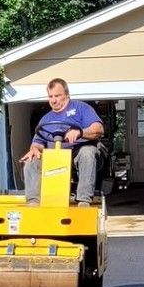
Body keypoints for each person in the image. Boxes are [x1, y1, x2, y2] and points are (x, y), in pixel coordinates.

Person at [21, 77, 105, 207]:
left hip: (78, 153)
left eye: (57, 96)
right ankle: (33, 202)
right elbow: (37, 142)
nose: (53, 100)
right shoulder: (45, 119)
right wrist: (34, 149)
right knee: (31, 160)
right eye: (50, 96)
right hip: (54, 156)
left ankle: (84, 199)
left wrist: (80, 132)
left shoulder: (81, 108)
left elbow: (98, 129)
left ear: (67, 95)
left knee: (87, 152)